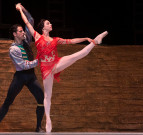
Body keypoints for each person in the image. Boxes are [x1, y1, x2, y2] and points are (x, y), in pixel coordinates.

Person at [16, 3, 108, 133]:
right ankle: (48, 118)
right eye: (48, 23)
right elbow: (27, 22)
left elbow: (70, 41)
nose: (51, 24)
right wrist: (20, 9)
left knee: (77, 55)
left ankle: (95, 41)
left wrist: (85, 38)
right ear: (43, 27)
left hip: (56, 64)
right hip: (46, 69)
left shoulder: (55, 39)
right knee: (47, 95)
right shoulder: (37, 36)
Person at [0, 5, 45, 133]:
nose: (23, 32)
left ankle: (38, 127)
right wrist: (38, 61)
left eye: (23, 30)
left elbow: (30, 19)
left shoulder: (27, 40)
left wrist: (22, 8)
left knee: (41, 98)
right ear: (15, 34)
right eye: (20, 31)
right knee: (8, 101)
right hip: (20, 77)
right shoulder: (13, 49)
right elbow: (23, 65)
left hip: (31, 77)